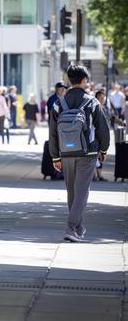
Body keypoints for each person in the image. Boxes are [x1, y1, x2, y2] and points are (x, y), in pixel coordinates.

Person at [49, 65, 110, 242]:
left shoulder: (59, 103)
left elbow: (52, 132)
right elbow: (103, 128)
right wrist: (103, 149)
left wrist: (55, 156)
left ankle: (78, 227)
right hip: (87, 152)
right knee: (82, 192)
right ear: (83, 80)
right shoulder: (92, 102)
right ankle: (70, 227)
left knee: (72, 193)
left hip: (66, 152)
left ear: (69, 80)